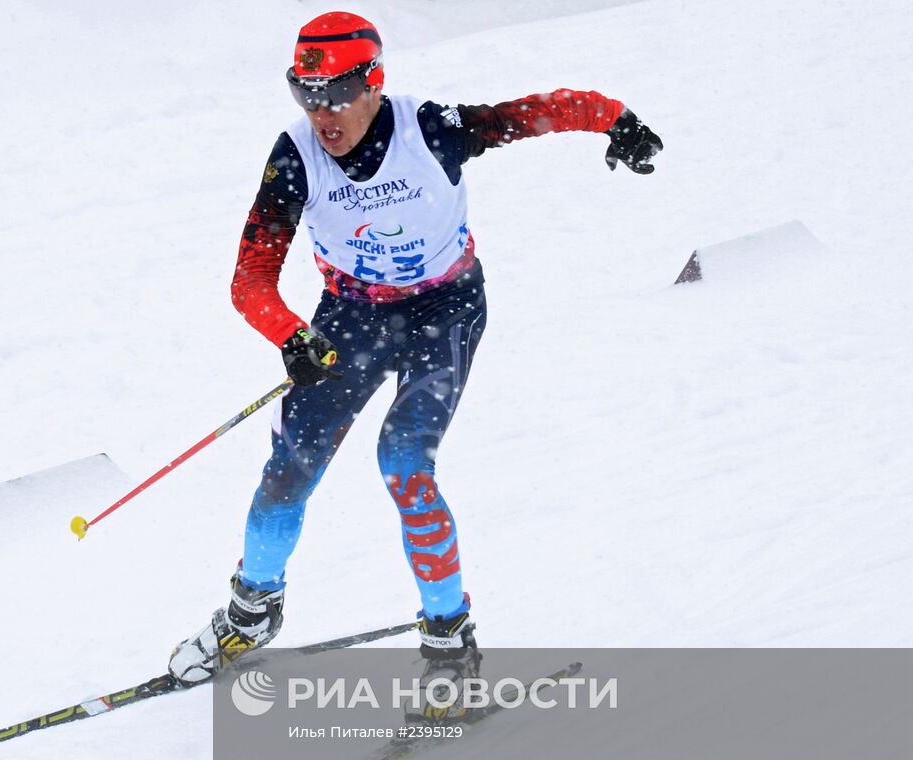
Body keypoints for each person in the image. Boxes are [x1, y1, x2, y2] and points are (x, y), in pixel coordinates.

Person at [167, 12, 662, 701]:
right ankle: (251, 613)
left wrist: (616, 119)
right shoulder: (296, 157)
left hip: (445, 310)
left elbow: (535, 113)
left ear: (374, 82)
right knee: (287, 472)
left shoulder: (432, 129)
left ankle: (449, 646)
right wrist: (290, 335)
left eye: (335, 92)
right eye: (303, 93)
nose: (321, 112)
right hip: (351, 317)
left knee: (402, 460)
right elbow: (250, 278)